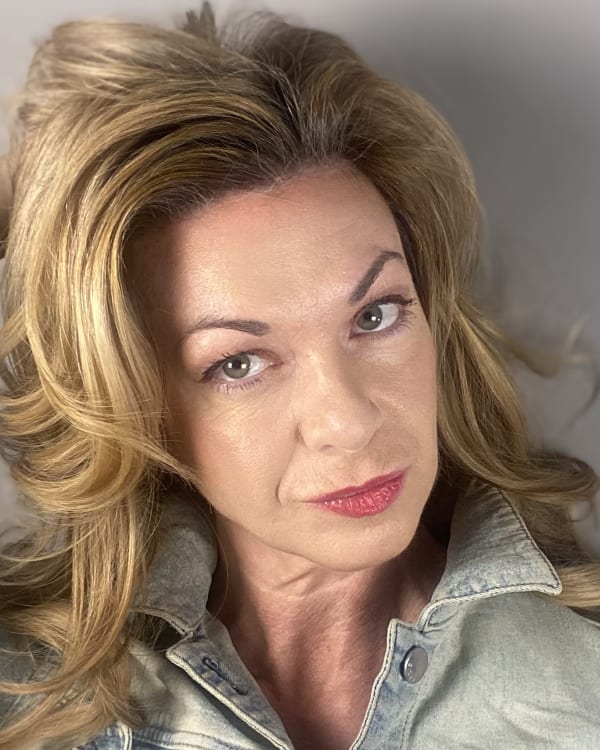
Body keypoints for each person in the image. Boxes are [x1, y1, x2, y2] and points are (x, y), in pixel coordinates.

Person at [0, 3, 599, 749]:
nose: (347, 421)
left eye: (375, 315)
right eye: (239, 363)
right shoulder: (28, 699)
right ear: (134, 402)